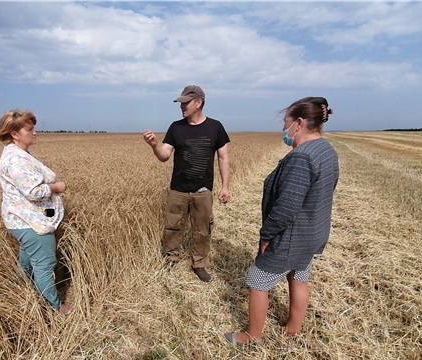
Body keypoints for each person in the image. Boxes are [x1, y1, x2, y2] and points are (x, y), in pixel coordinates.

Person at [224, 97, 339, 345]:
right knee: (299, 276)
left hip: (292, 236)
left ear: (298, 123)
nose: (282, 128)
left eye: (285, 122)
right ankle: (293, 330)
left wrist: (267, 236)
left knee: (257, 280)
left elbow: (286, 207)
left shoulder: (301, 158)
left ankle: (251, 336)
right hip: (313, 231)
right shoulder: (326, 150)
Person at [143, 85, 231, 282]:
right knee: (173, 226)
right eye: (180, 103)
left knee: (202, 229)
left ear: (198, 103)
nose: (181, 106)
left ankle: (199, 263)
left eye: (185, 102)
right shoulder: (176, 127)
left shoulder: (215, 127)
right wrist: (154, 145)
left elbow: (223, 158)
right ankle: (171, 257)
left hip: (203, 190)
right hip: (178, 190)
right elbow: (165, 156)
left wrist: (225, 186)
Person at [0, 110, 72, 314]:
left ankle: (23, 293)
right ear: (14, 134)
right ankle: (54, 307)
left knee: (29, 260)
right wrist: (58, 187)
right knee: (45, 264)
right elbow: (34, 191)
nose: (34, 132)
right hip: (31, 222)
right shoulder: (16, 159)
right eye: (29, 129)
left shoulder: (19, 153)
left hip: (26, 219)